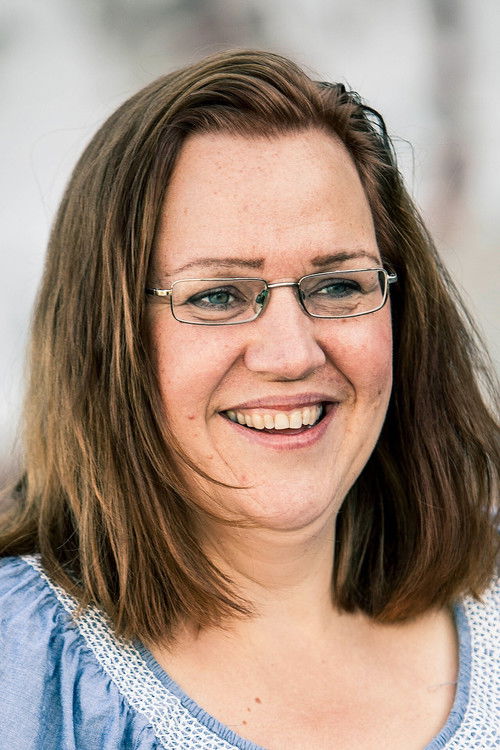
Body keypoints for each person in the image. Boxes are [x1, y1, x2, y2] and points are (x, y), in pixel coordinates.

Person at [0, 49, 498, 750]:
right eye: (217, 296)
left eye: (339, 285)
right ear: (107, 337)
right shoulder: (18, 670)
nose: (292, 355)